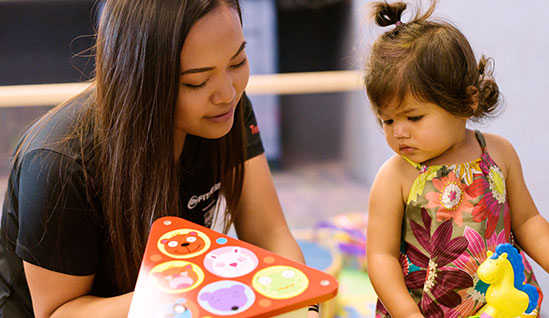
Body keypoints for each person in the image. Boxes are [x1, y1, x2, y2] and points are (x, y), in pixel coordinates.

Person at [0, 1, 316, 317]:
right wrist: (191, 289)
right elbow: (60, 313)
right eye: (196, 82)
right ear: (137, 80)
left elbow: (270, 235)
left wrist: (304, 306)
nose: (227, 93)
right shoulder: (58, 163)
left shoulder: (225, 113)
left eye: (237, 63)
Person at [364, 1, 549, 317]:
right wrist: (407, 313)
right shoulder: (395, 176)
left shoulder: (498, 153)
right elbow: (380, 257)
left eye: (414, 117)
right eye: (388, 121)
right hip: (427, 310)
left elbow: (527, 222)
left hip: (502, 305)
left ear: (466, 101)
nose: (399, 133)